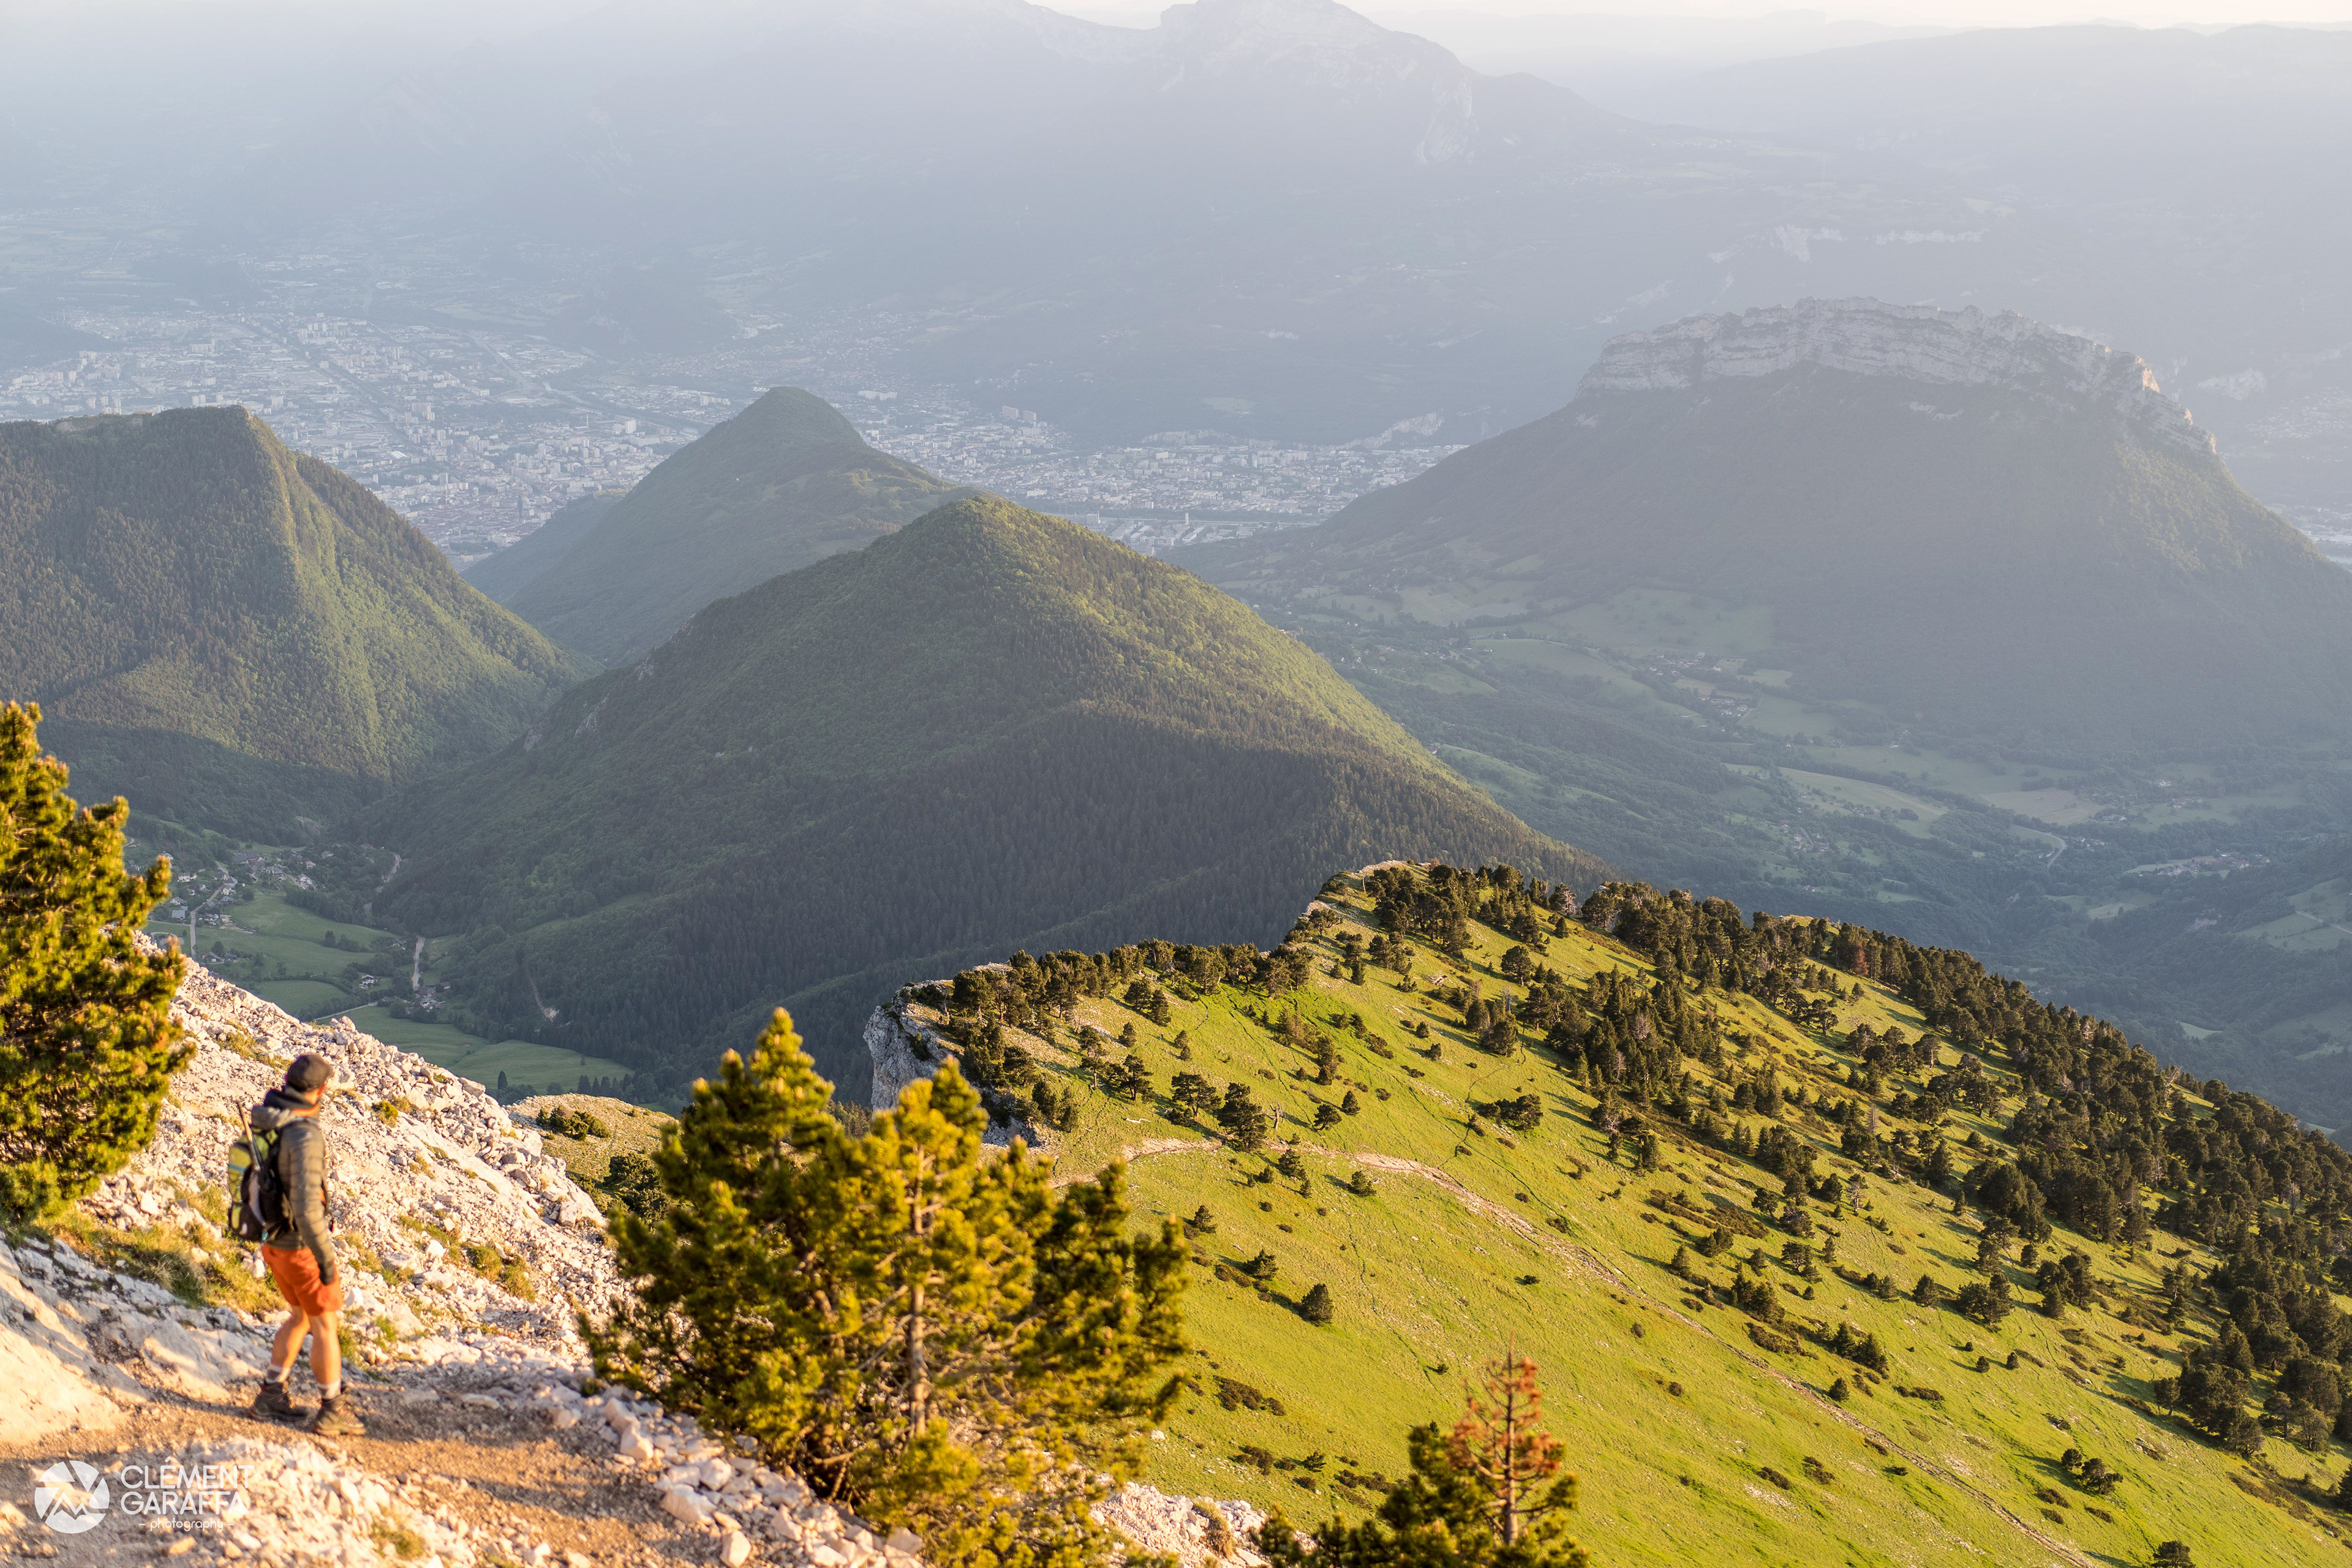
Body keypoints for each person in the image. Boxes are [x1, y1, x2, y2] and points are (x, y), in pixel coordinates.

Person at [247, 1052, 363, 1435]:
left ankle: (271, 1396)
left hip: (273, 1240)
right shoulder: (304, 1134)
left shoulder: (270, 1119)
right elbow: (308, 1208)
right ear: (322, 1090)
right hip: (300, 1245)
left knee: (299, 1318)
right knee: (324, 1325)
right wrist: (327, 1262)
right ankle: (332, 1409)